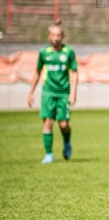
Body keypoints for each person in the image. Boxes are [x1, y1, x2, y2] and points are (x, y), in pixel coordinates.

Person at [28, 20, 78, 164]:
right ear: (49, 36)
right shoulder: (44, 53)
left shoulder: (68, 52)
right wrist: (31, 92)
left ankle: (67, 142)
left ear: (62, 36)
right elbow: (37, 72)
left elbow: (74, 72)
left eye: (58, 35)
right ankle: (49, 155)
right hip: (48, 92)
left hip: (64, 93)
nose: (56, 38)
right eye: (53, 35)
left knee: (63, 124)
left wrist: (73, 92)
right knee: (48, 123)